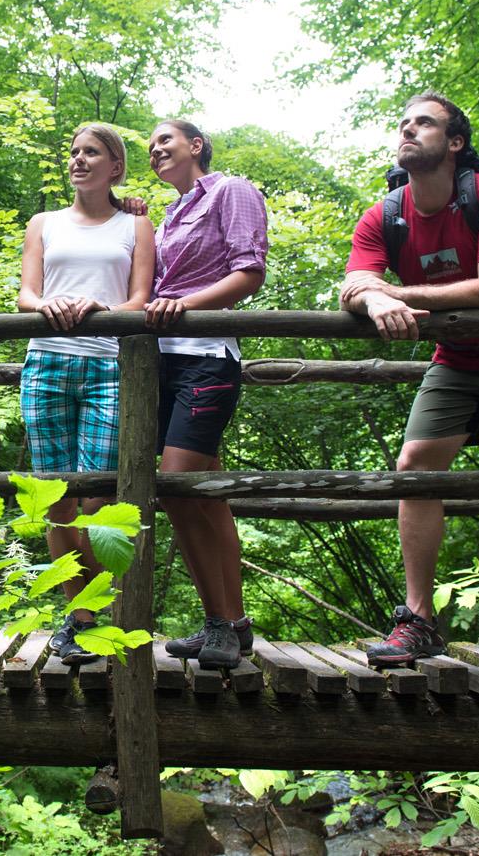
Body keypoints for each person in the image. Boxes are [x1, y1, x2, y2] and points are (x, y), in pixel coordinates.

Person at [340, 92, 479, 669]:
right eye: (404, 124)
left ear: (456, 143)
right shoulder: (385, 215)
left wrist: (397, 294)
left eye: (424, 123)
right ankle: (418, 621)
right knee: (415, 467)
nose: (408, 130)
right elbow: (354, 283)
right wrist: (371, 297)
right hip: (457, 362)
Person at [18, 123, 155, 664]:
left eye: (91, 152)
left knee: (98, 502)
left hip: (109, 368)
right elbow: (28, 295)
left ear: (115, 167)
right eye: (74, 152)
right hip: (46, 364)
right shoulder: (43, 223)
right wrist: (48, 307)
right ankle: (77, 620)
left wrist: (95, 312)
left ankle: (94, 613)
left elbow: (141, 299)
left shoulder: (136, 227)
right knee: (57, 501)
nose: (79, 160)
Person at [143, 119, 268, 669]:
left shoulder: (230, 190)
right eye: (149, 145)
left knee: (174, 486)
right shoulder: (167, 214)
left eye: (164, 140)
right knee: (206, 495)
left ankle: (218, 621)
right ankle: (233, 624)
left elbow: (249, 272)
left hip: (207, 356)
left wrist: (189, 307)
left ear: (196, 146)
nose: (155, 149)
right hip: (159, 360)